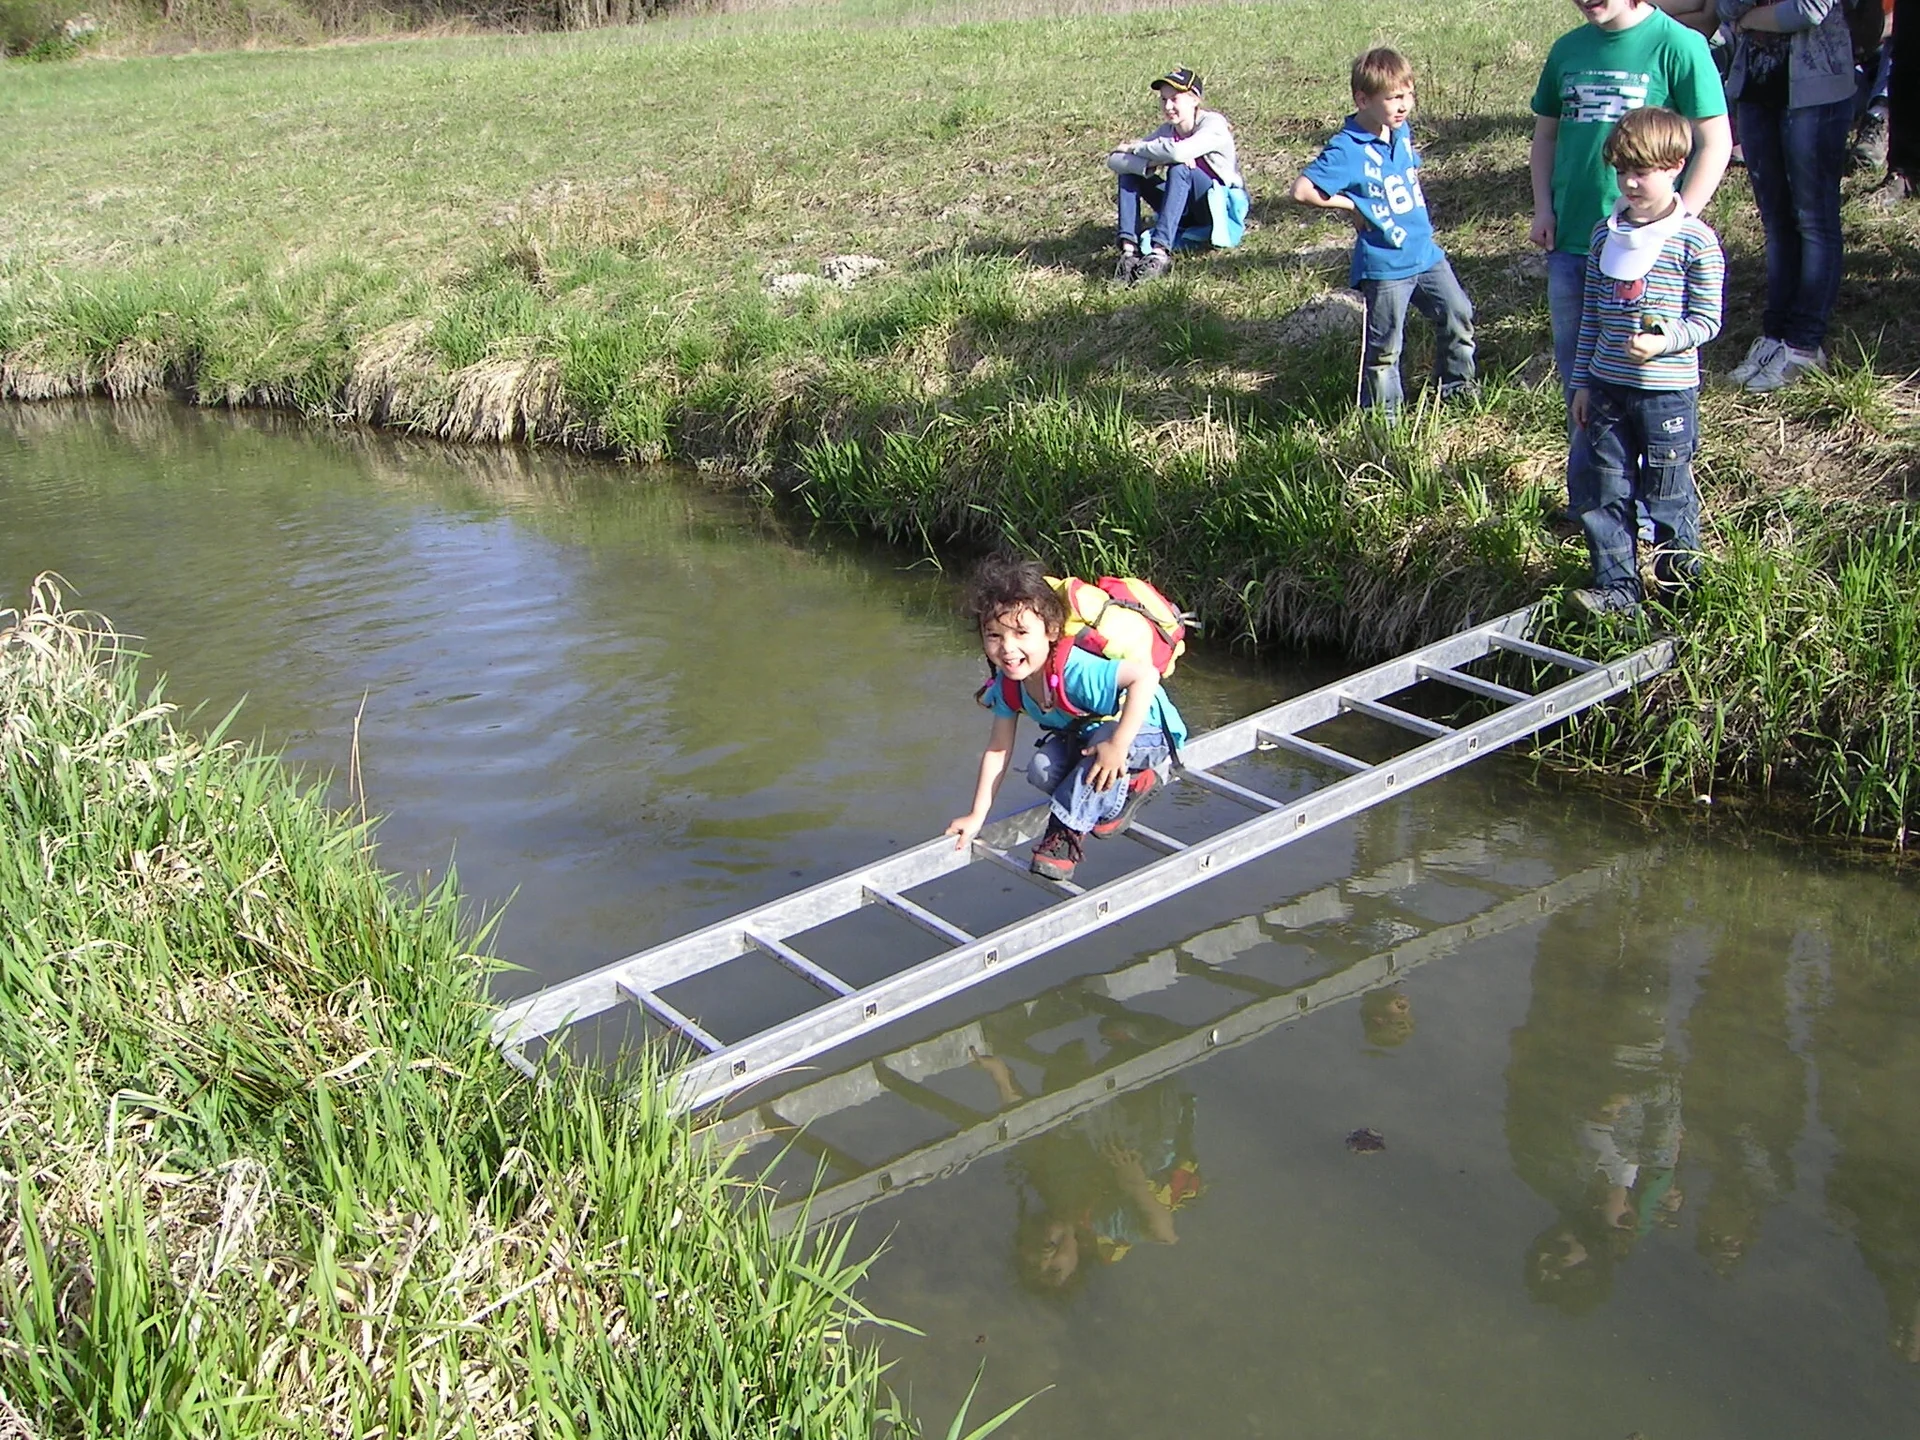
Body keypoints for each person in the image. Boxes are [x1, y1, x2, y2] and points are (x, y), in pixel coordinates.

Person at [1532, 0, 1732, 503]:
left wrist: (1678, 223)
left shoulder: (1680, 45)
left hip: (1648, 254)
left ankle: (1655, 512)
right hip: (1576, 243)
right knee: (1582, 388)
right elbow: (1547, 135)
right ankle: (1592, 506)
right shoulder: (1567, 49)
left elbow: (1715, 140)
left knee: (1645, 386)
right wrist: (1543, 207)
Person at [1569, 106, 1726, 616]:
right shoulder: (1603, 235)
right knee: (1605, 489)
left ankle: (1683, 590)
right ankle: (1616, 588)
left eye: (1643, 171)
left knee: (1668, 493)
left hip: (1666, 394)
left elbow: (1708, 320)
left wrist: (1664, 341)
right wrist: (1582, 383)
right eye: (1622, 171)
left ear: (1676, 164)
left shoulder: (1694, 240)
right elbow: (1592, 315)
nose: (1630, 183)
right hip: (1608, 387)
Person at [945, 555, 1186, 882]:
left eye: (1021, 633)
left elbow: (1145, 677)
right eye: (994, 636)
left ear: (1051, 631)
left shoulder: (1076, 671)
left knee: (1102, 746)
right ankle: (1131, 785)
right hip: (1092, 738)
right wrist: (977, 815)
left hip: (1150, 731)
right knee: (1042, 768)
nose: (1008, 649)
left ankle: (1064, 833)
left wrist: (1118, 744)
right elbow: (998, 748)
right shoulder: (1009, 685)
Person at [1290, 48, 1477, 413]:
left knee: (1459, 316)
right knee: (1385, 349)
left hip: (1424, 253)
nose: (1404, 105)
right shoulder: (1346, 148)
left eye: (1408, 95)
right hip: (1385, 264)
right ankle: (1382, 423)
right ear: (1363, 99)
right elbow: (1302, 190)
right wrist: (1351, 205)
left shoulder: (1398, 131)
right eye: (1393, 98)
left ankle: (1458, 396)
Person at [1719, 0, 1857, 391]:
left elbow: (1807, 10)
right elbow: (1725, 7)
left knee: (1814, 219)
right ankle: (1775, 335)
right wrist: (1743, 15)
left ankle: (1805, 346)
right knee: (1775, 221)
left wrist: (1748, 18)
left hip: (1817, 91)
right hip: (1756, 87)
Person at [1105, 67, 1247, 284]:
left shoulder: (1213, 124)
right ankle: (1129, 252)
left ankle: (1159, 253)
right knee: (1129, 173)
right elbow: (1114, 161)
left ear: (1194, 100)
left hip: (1214, 208)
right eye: (1163, 100)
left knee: (1180, 168)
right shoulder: (1167, 131)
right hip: (1182, 205)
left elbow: (1177, 153)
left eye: (1175, 99)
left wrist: (1140, 150)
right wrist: (1150, 159)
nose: (1168, 106)